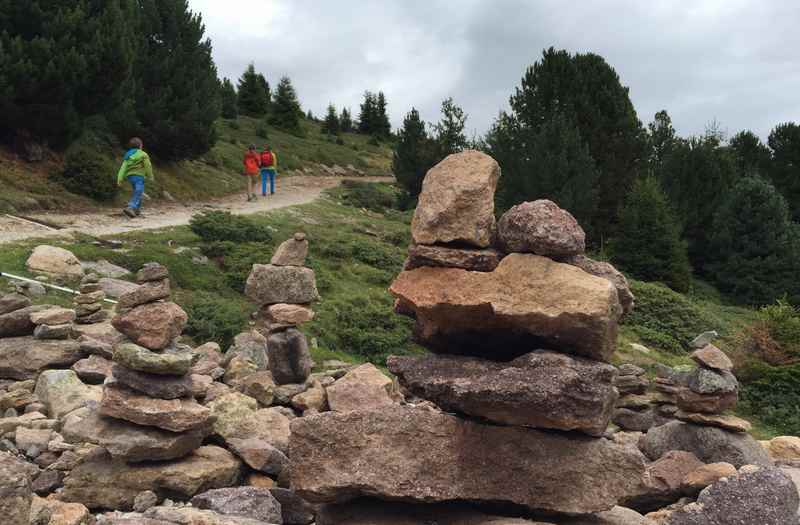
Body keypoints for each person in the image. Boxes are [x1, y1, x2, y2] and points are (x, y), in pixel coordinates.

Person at [117, 137, 154, 218]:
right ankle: (131, 207)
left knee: (138, 192)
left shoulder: (128, 155)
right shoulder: (143, 154)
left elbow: (123, 167)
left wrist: (120, 179)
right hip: (139, 176)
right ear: (141, 146)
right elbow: (148, 166)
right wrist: (150, 176)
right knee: (139, 190)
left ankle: (136, 211)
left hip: (130, 177)